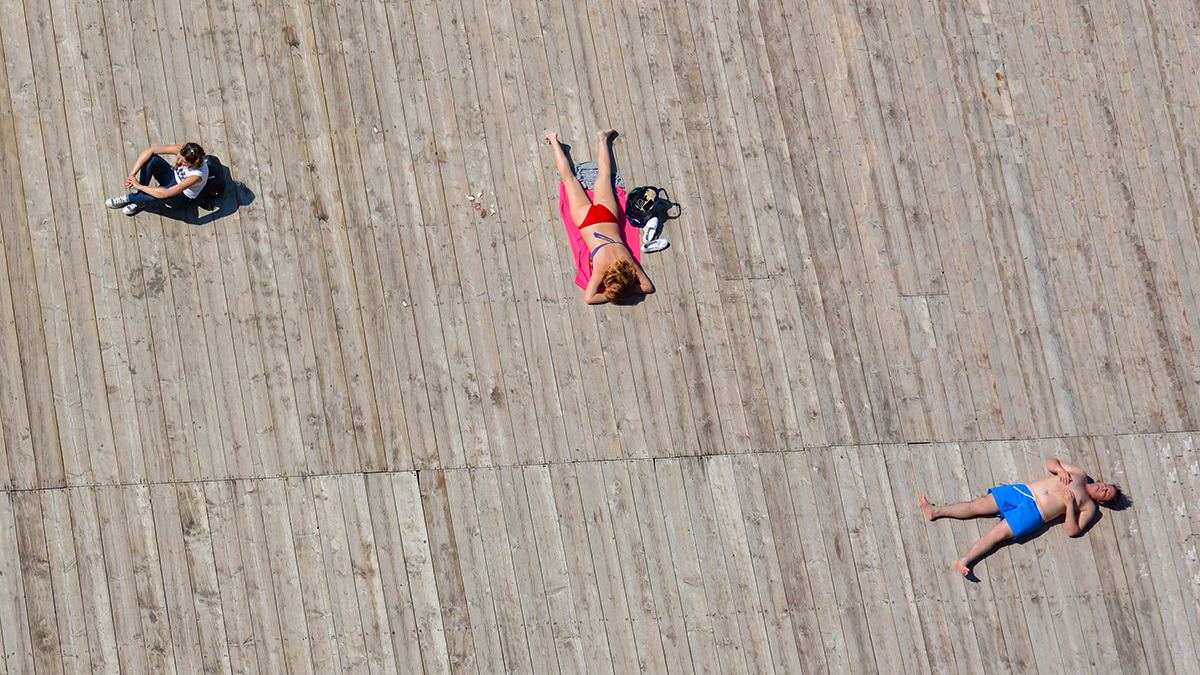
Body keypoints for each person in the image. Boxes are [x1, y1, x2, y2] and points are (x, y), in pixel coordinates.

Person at [920, 458, 1123, 577]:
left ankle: (964, 561)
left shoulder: (1089, 507)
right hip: (1024, 492)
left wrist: (1070, 506)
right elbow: (1051, 462)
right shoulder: (1079, 474)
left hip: (1036, 513)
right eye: (1108, 486)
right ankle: (935, 511)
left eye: (1107, 493)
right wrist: (1060, 470)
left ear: (1102, 501)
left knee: (996, 534)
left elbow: (1072, 531)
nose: (1105, 488)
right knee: (978, 505)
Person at [545, 130, 654, 304]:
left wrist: (628, 288)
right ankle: (554, 140)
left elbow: (648, 287)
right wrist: (614, 295)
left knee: (604, 176)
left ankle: (603, 139)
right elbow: (590, 299)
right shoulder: (601, 270)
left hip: (607, 216)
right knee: (569, 180)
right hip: (586, 221)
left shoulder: (628, 264)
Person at [105, 142, 209, 216]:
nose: (179, 162)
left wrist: (139, 186)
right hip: (172, 177)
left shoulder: (197, 175)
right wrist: (133, 174)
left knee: (159, 192)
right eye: (179, 158)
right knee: (151, 159)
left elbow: (166, 193)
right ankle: (141, 199)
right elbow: (150, 150)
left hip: (181, 196)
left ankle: (130, 198)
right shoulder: (184, 151)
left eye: (184, 162)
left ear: (194, 163)